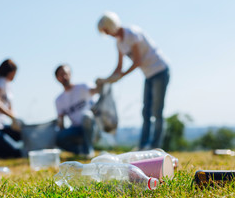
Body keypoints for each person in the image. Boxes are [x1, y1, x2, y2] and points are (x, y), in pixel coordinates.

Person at [97, 11, 170, 150]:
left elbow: (137, 61)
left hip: (160, 70)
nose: (106, 34)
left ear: (110, 25)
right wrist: (106, 80)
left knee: (157, 110)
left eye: (106, 30)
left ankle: (155, 146)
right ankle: (144, 145)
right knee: (146, 111)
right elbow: (118, 68)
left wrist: (122, 76)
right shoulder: (119, 44)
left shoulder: (132, 33)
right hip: (148, 74)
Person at [54, 64, 99, 158]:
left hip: (93, 126)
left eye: (66, 73)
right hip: (77, 130)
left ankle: (88, 151)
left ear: (70, 74)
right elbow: (60, 122)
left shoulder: (83, 87)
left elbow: (97, 90)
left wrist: (100, 84)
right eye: (61, 75)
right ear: (57, 78)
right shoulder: (59, 100)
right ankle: (80, 150)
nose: (64, 77)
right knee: (58, 137)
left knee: (86, 116)